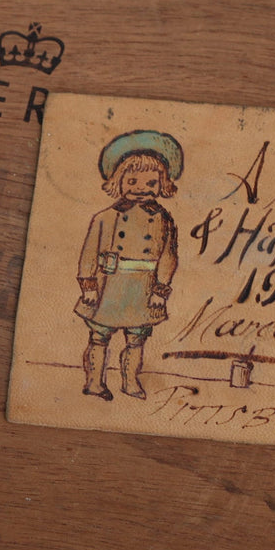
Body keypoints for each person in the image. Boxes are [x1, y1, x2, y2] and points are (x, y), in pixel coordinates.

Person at [75, 130, 182, 400]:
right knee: (99, 337)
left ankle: (130, 382)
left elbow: (168, 257)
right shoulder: (105, 217)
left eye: (150, 181)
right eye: (132, 180)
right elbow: (89, 253)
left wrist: (160, 289)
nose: (141, 187)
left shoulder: (164, 220)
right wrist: (88, 286)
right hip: (108, 285)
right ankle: (94, 383)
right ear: (118, 181)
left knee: (137, 339)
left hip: (143, 288)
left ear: (162, 183)